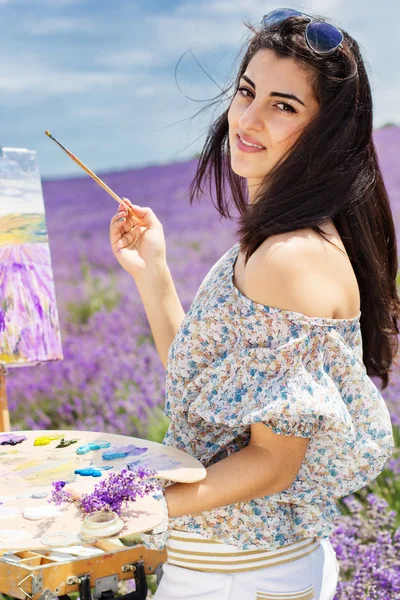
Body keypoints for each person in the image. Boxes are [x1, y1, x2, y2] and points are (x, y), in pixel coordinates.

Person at [109, 8, 397, 600]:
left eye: (283, 105)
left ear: (326, 131)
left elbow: (273, 461)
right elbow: (209, 390)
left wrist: (139, 509)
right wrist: (154, 273)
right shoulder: (271, 244)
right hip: (231, 568)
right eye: (247, 91)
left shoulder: (291, 257)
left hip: (245, 576)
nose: (249, 116)